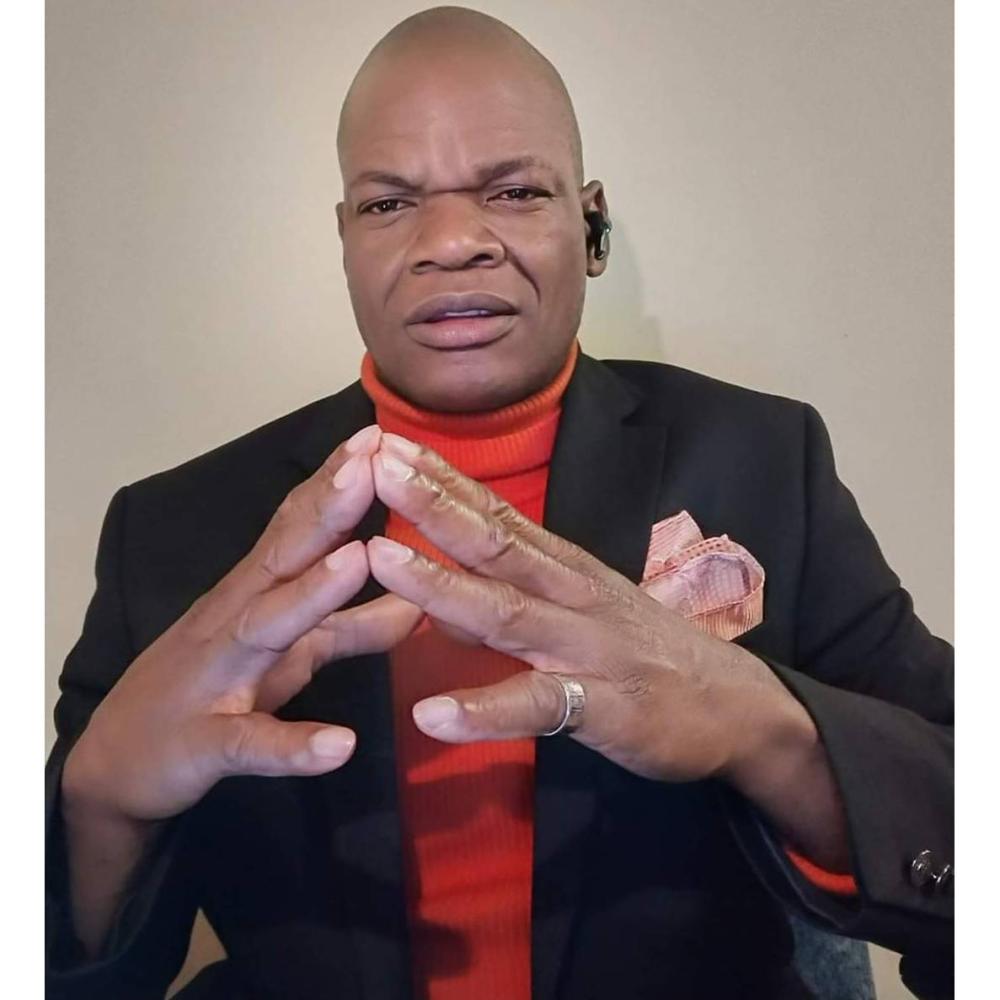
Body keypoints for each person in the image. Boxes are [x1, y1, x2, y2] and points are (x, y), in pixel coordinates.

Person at [45, 7, 953, 999]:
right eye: (389, 203)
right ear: (344, 240)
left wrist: (762, 727)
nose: (450, 242)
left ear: (591, 224)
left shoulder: (761, 460)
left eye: (514, 191)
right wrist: (100, 805)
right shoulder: (173, 534)